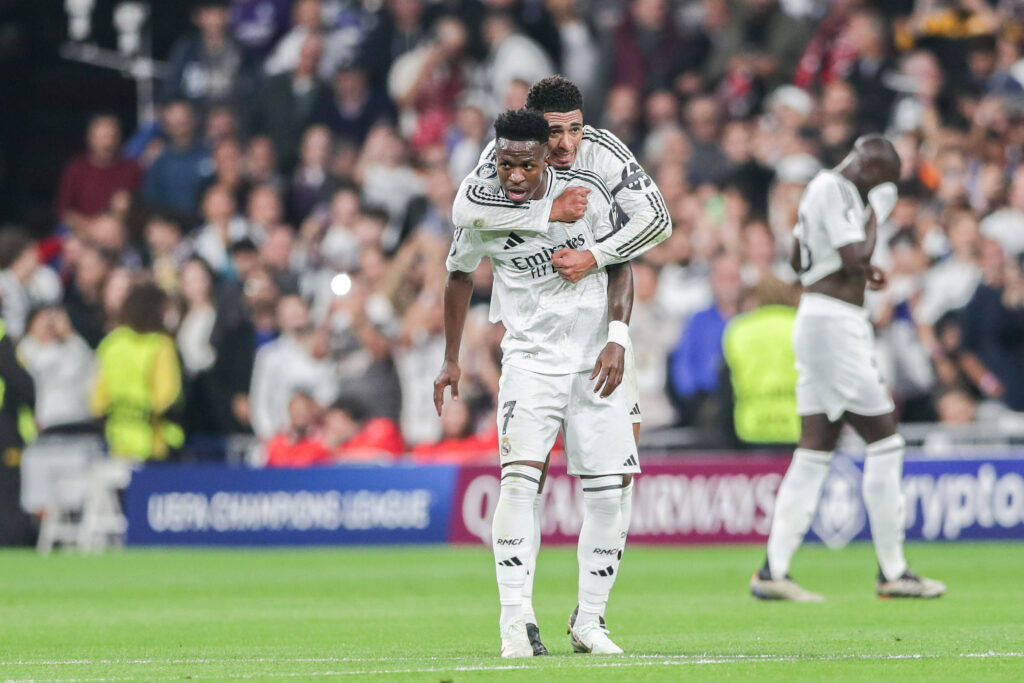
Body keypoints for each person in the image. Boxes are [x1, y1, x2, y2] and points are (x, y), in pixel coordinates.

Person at [435, 109, 668, 658]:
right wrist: (450, 357)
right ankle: (516, 621)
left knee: (609, 494)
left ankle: (590, 621)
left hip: (595, 361)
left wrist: (617, 336)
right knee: (519, 484)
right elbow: (459, 274)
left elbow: (622, 262)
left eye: (527, 164)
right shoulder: (481, 202)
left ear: (547, 157)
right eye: (505, 164)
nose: (514, 176)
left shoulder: (587, 192)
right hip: (530, 361)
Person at [749, 135, 946, 602]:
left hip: (820, 317)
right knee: (886, 439)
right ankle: (893, 570)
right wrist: (874, 216)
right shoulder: (838, 190)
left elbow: (799, 259)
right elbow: (857, 257)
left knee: (815, 449)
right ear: (873, 171)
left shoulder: (822, 191)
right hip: (835, 324)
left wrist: (855, 260)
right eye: (884, 181)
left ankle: (772, 570)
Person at [92, 282, 184, 461]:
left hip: (117, 443)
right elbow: (167, 397)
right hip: (153, 444)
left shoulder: (112, 343)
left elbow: (98, 401)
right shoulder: (160, 345)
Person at [57, 114, 142, 232]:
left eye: (110, 136)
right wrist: (91, 227)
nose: (106, 143)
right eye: (100, 137)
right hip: (83, 234)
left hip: (121, 233)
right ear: (90, 138)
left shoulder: (132, 169)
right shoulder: (76, 169)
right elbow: (65, 212)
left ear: (118, 138)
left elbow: (142, 211)